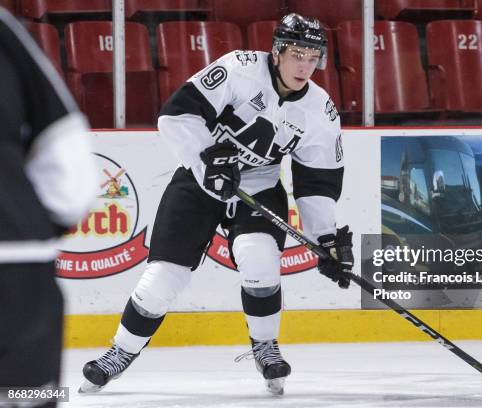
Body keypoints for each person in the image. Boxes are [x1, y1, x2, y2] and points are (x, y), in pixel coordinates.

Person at [80, 13, 354, 395]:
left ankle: (264, 345)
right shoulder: (238, 69)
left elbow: (317, 183)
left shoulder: (320, 111)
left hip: (257, 187)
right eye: (297, 54)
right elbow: (175, 116)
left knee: (259, 258)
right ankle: (120, 352)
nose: (305, 65)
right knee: (162, 280)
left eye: (313, 57)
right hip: (197, 182)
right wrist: (207, 159)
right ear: (276, 53)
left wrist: (325, 238)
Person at [0, 7, 96, 407]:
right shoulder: (4, 31)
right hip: (16, 263)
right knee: (26, 396)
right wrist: (33, 225)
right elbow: (65, 145)